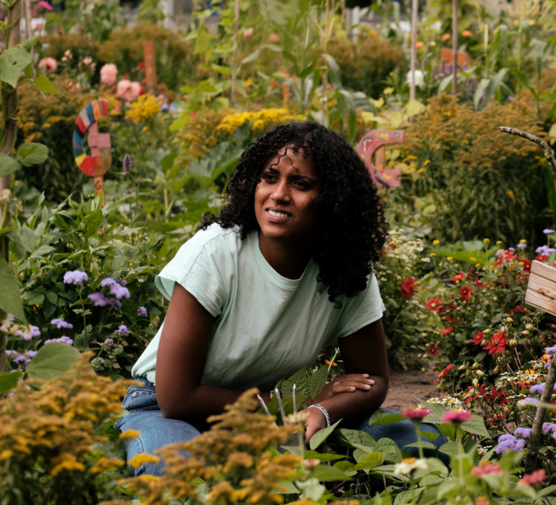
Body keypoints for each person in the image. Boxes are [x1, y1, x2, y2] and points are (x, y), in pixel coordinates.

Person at [116, 121, 441, 474]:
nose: (279, 194)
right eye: (270, 177)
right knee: (177, 473)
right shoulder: (216, 254)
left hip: (271, 415)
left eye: (300, 184)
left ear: (333, 199)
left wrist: (322, 412)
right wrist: (288, 406)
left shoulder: (344, 270)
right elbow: (176, 396)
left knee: (424, 439)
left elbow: (372, 378)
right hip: (168, 410)